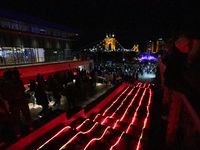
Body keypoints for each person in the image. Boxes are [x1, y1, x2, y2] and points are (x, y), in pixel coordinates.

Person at [0, 70, 33, 140]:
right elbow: (23, 90)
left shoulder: (3, 86)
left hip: (13, 104)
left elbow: (4, 96)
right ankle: (31, 129)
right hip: (22, 101)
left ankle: (18, 135)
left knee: (15, 120)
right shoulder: (18, 82)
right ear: (12, 76)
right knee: (27, 116)